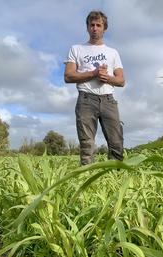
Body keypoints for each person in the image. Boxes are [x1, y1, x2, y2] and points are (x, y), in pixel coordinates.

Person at [64, 10, 125, 165]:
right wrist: (94, 73)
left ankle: (116, 177)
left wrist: (107, 78)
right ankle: (87, 180)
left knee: (116, 142)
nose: (95, 28)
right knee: (87, 145)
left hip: (108, 100)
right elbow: (68, 76)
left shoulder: (113, 52)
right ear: (87, 27)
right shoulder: (76, 49)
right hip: (86, 99)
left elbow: (121, 81)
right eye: (92, 25)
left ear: (104, 28)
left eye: (99, 25)